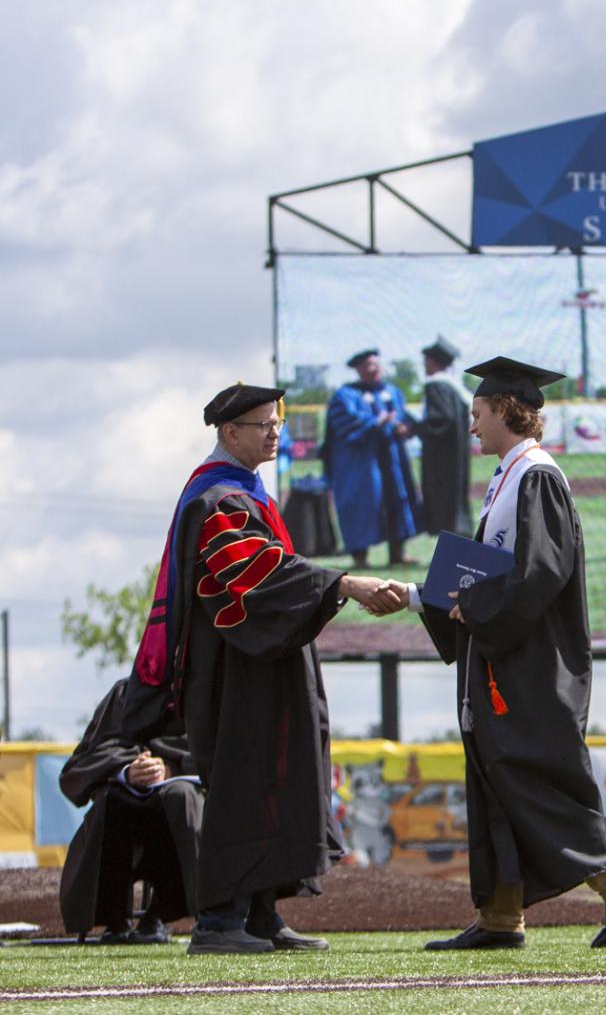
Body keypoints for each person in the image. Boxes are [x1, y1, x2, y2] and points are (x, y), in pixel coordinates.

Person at [121, 383, 408, 955]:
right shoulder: (216, 500)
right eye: (264, 425)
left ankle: (260, 914)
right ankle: (220, 921)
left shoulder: (247, 495)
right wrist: (344, 583)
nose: (276, 432)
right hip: (234, 672)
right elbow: (258, 575)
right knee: (243, 787)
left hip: (263, 665)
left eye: (276, 423)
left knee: (278, 781)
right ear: (230, 433)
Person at [399, 356, 606, 951]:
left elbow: (542, 573)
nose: (472, 428)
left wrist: (478, 606)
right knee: (496, 776)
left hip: (532, 661)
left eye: (479, 414)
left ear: (506, 412)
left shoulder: (536, 476)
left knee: (527, 775)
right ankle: (499, 913)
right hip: (503, 655)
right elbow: (491, 572)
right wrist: (420, 598)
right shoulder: (507, 477)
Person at [59, 678, 203, 944]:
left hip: (183, 800)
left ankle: (159, 914)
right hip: (127, 801)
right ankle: (115, 919)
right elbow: (89, 757)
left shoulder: (204, 692)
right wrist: (127, 770)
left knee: (178, 796)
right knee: (115, 799)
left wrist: (172, 769)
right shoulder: (126, 692)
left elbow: (219, 752)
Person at [324, 349, 422, 567]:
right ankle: (360, 558)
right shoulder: (345, 396)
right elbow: (346, 425)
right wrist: (378, 421)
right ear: (358, 369)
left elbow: (404, 417)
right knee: (360, 505)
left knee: (398, 498)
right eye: (367, 365)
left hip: (392, 460)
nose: (373, 369)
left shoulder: (393, 391)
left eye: (376, 364)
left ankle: (398, 553)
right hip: (361, 464)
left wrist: (405, 427)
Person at [401, 336, 473, 536]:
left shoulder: (436, 385)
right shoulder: (454, 387)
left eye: (426, 361)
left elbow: (441, 420)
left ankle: (452, 536)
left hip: (441, 457)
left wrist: (414, 428)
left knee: (442, 497)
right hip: (455, 454)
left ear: (433, 362)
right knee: (455, 499)